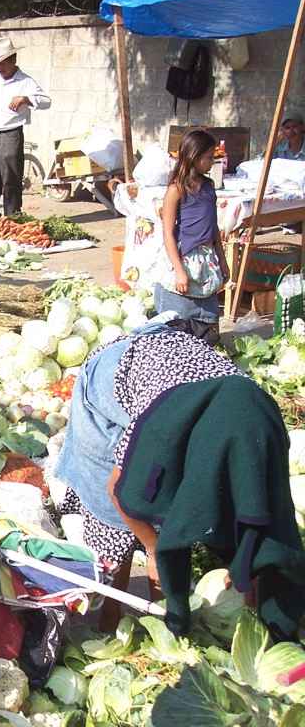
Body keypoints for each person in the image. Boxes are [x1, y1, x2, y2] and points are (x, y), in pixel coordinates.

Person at [56, 326, 305, 638]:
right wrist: (152, 550)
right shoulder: (161, 430)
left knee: (172, 505)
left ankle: (164, 624)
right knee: (115, 520)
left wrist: (248, 565)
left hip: (180, 365)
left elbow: (260, 513)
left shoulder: (261, 429)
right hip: (115, 373)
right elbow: (118, 491)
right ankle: (109, 617)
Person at [152, 130, 228, 339]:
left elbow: (213, 228)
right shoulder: (176, 189)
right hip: (184, 258)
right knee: (178, 323)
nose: (212, 162)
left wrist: (222, 260)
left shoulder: (209, 187)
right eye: (209, 158)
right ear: (194, 157)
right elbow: (168, 234)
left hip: (206, 258)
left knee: (208, 326)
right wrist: (179, 271)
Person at [0, 37, 51, 227]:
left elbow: (46, 101)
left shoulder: (25, 81)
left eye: (3, 63)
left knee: (11, 178)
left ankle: (12, 217)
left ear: (13, 60)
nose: (0, 67)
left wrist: (26, 99)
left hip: (11, 134)